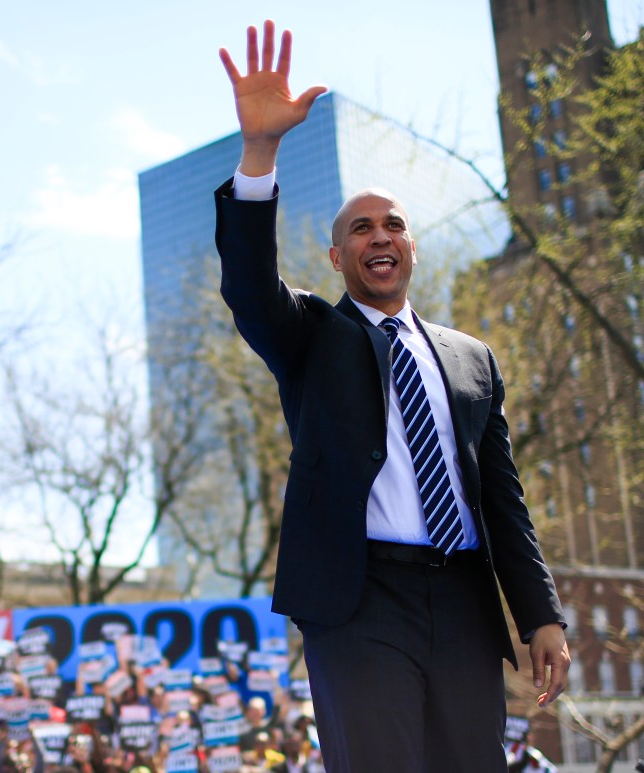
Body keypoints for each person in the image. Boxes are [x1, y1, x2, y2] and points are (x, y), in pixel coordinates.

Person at [214, 21, 572, 772]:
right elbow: (249, 287)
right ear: (339, 255)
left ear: (412, 246)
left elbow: (503, 502)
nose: (381, 235)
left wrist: (538, 613)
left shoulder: (473, 359)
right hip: (361, 598)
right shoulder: (312, 336)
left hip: (466, 602)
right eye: (362, 227)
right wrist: (260, 154)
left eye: (395, 224)